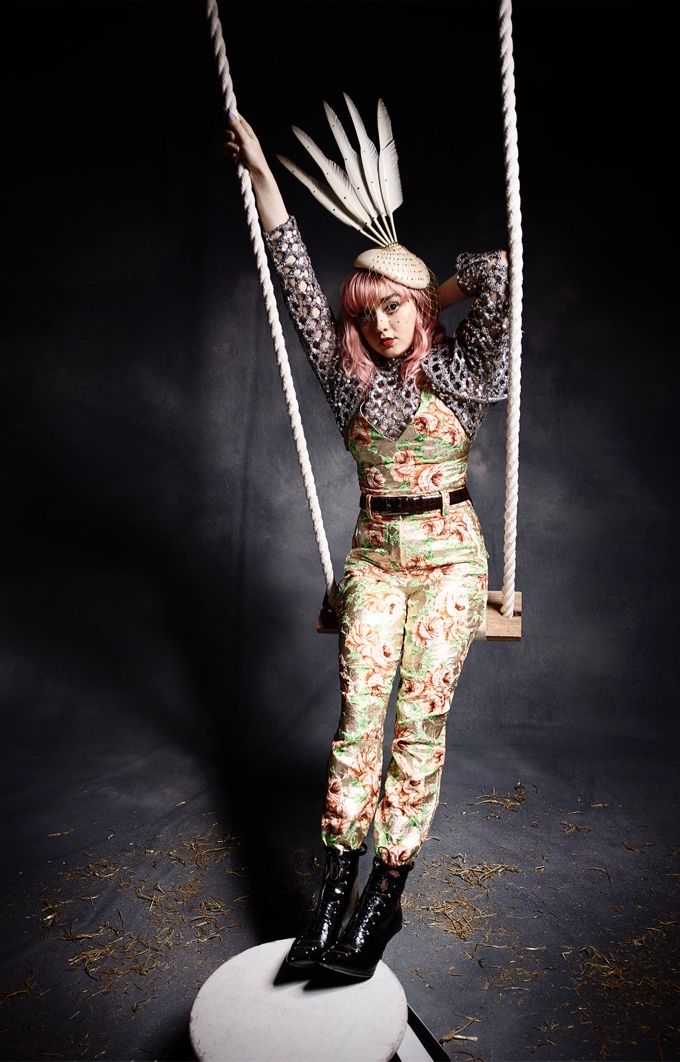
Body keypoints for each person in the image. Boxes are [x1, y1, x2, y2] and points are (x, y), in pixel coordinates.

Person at [222, 106, 509, 980]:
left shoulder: (461, 373)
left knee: (417, 728)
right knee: (356, 728)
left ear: (416, 308)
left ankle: (383, 902)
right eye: (369, 310)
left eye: (396, 308)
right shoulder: (349, 380)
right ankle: (332, 901)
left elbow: (500, 272)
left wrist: (429, 291)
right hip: (377, 560)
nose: (382, 325)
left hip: (453, 559)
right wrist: (267, 179)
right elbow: (297, 278)